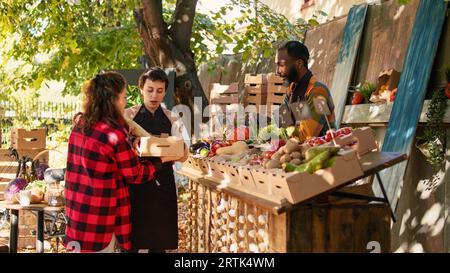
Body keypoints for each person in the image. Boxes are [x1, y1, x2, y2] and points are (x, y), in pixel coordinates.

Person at [64, 71, 162, 253]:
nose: (125, 102)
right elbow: (136, 174)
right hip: (100, 219)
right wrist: (158, 162)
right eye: (123, 97)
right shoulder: (114, 136)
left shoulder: (80, 126)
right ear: (113, 100)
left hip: (77, 215)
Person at [125, 68, 188, 253]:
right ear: (141, 90)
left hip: (163, 184)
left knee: (160, 242)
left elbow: (184, 153)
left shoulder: (172, 118)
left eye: (159, 91)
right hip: (136, 184)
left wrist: (163, 149)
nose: (154, 95)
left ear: (165, 92)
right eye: (150, 89)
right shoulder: (129, 116)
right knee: (133, 240)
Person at [276, 41, 336, 140]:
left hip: (323, 149)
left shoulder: (318, 92)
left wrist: (284, 128)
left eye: (282, 65)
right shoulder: (292, 89)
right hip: (297, 148)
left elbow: (307, 136)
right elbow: (281, 120)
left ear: (299, 63)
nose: (278, 71)